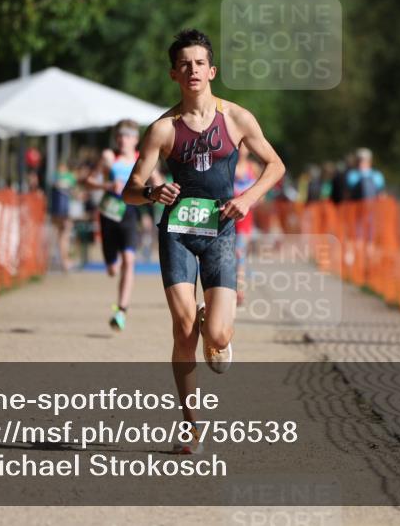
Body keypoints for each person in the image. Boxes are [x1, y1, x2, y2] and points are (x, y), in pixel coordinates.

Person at [122, 29, 285, 454]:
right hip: (176, 232)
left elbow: (276, 165)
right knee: (182, 330)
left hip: (221, 232)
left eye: (199, 63)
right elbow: (130, 190)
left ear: (211, 70)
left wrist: (247, 199)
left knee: (216, 334)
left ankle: (214, 324)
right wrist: (153, 194)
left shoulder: (237, 118)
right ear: (173, 73)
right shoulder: (162, 129)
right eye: (184, 64)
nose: (192, 70)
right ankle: (191, 425)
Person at [85, 119, 160, 331]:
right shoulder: (109, 158)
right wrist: (107, 184)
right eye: (119, 135)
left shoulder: (142, 160)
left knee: (129, 259)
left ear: (136, 139)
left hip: (129, 213)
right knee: (112, 269)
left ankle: (122, 310)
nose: (122, 140)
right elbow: (88, 182)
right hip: (108, 213)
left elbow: (158, 181)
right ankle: (112, 267)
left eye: (127, 136)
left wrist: (156, 182)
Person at [233, 143, 260, 306]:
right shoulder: (228, 165)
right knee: (229, 253)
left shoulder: (253, 168)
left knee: (239, 252)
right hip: (229, 215)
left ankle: (239, 290)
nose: (241, 149)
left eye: (244, 146)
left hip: (245, 217)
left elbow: (261, 191)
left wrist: (253, 200)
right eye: (238, 145)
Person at [50, 160, 77, 272]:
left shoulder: (55, 177)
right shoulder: (69, 177)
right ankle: (64, 261)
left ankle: (62, 259)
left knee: (59, 236)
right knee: (63, 236)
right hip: (63, 212)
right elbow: (74, 191)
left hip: (58, 212)